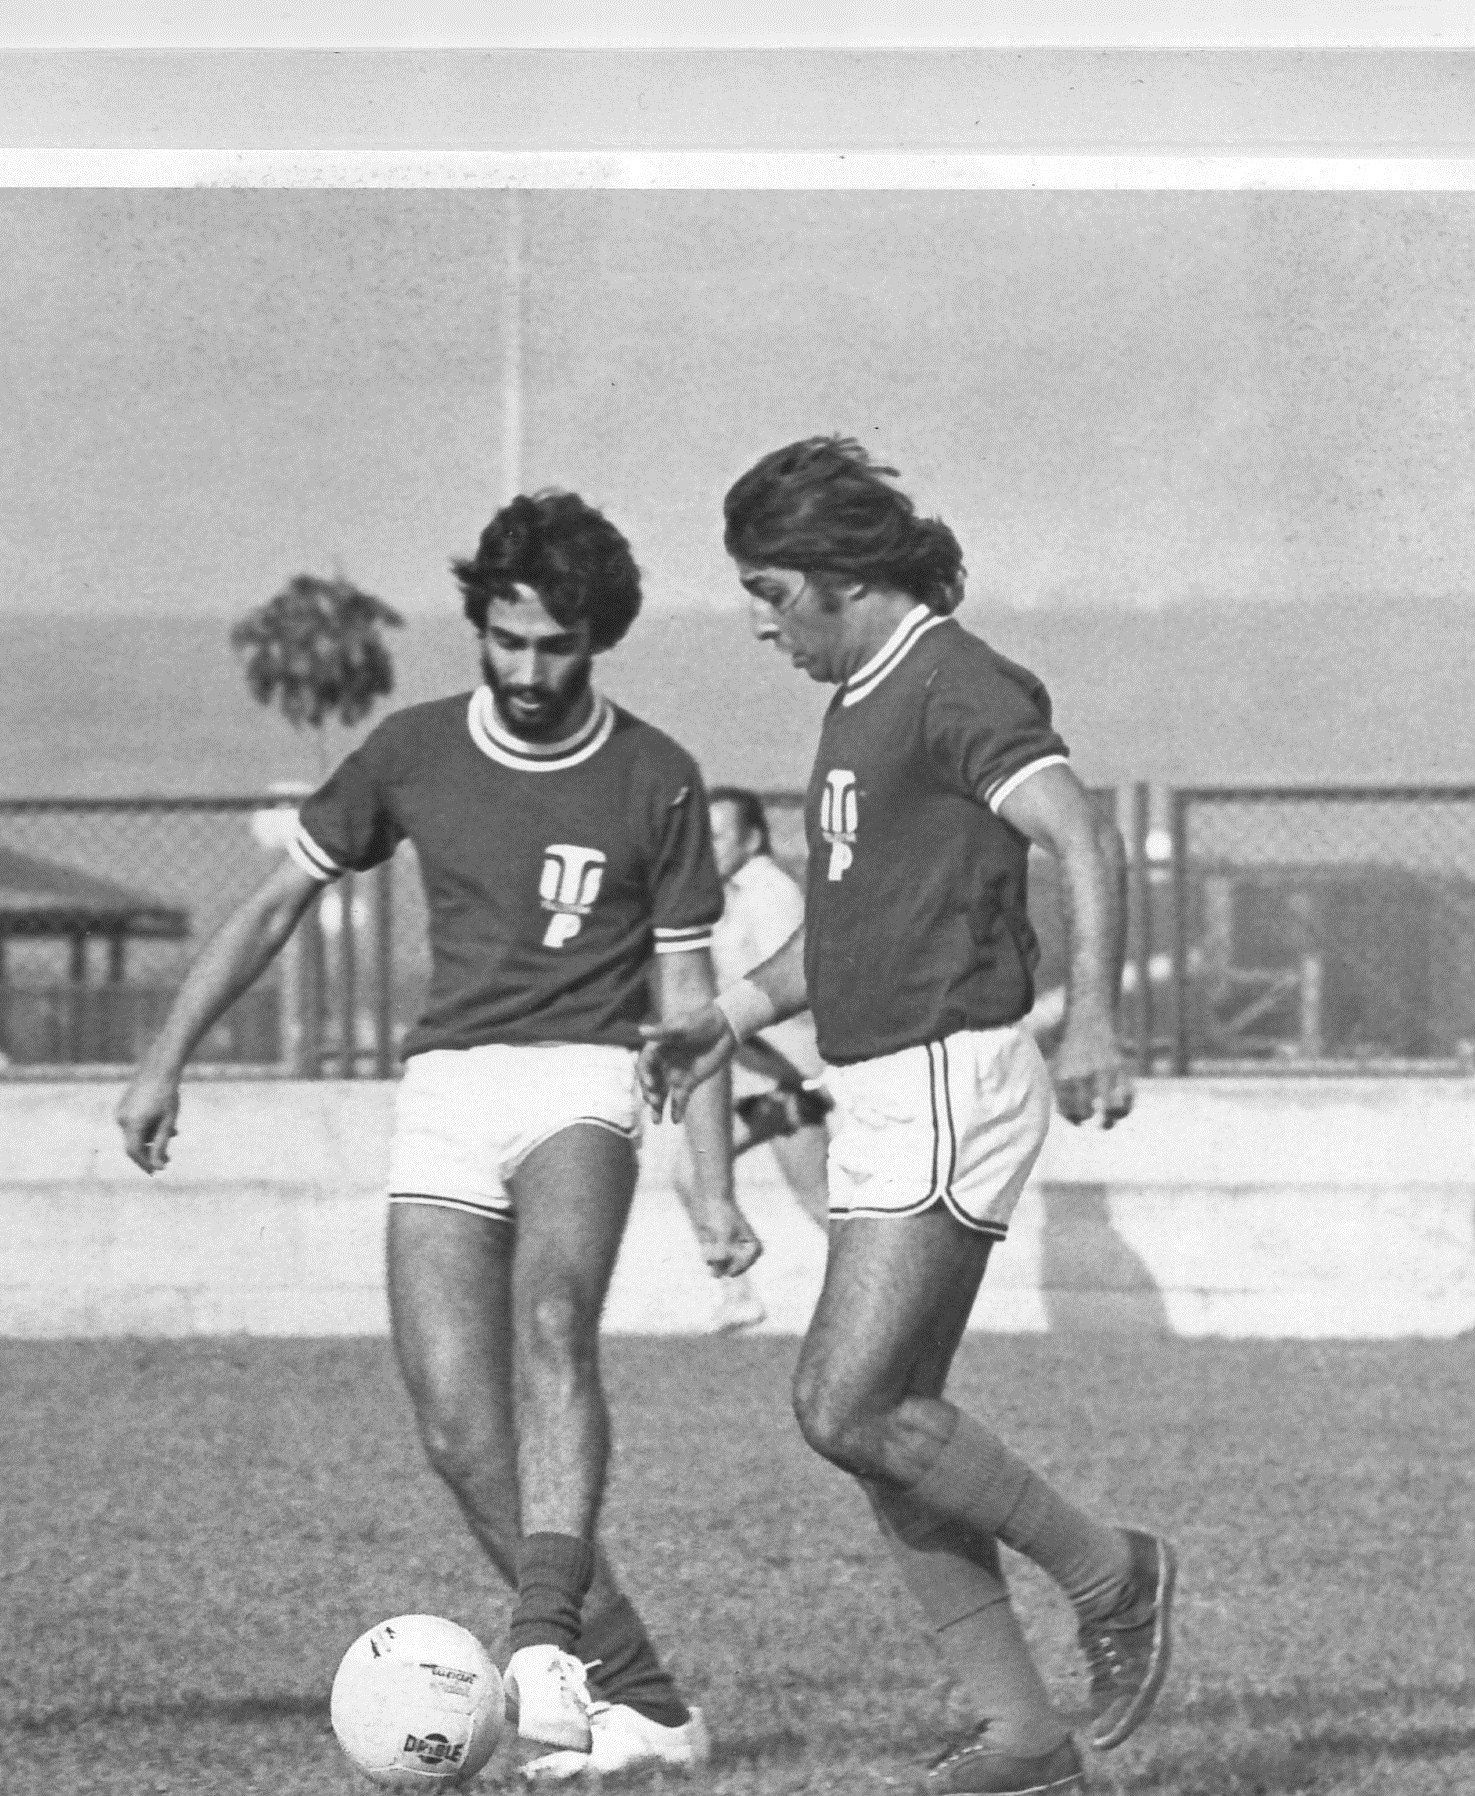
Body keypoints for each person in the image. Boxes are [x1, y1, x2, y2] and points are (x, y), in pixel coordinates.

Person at [118, 492, 745, 1782]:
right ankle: (646, 1699)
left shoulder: (657, 775)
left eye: (555, 645)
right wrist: (165, 1055)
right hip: (447, 1090)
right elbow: (275, 905)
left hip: (584, 1076)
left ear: (597, 638)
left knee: (553, 1321)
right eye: (506, 640)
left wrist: (713, 1185)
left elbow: (690, 1006)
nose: (527, 668)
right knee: (458, 1431)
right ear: (480, 627)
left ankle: (541, 1650)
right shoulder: (410, 750)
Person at [641, 440, 1172, 1796]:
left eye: (770, 593)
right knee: (893, 1431)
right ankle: (1022, 1734)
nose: (759, 624)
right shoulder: (858, 701)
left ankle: (1108, 1572)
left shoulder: (951, 682)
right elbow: (842, 933)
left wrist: (1093, 1018)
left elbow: (1082, 834)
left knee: (842, 1401)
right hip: (877, 1083)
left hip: (945, 1078)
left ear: (841, 576)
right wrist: (723, 1017)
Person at [670, 789, 833, 1332]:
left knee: (819, 1203)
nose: (705, 849)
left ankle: (892, 1297)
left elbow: (792, 995)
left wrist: (725, 1023)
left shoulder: (770, 894)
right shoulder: (729, 894)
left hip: (796, 1075)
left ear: (752, 840)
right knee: (701, 1173)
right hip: (771, 1075)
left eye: (717, 836)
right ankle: (739, 1292)